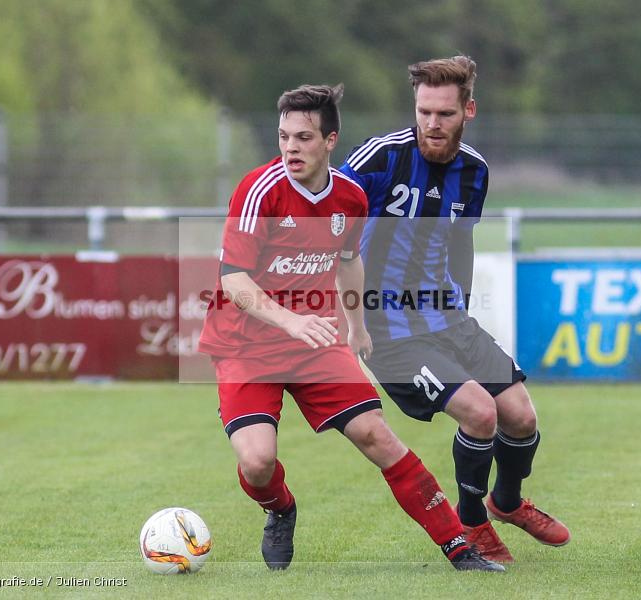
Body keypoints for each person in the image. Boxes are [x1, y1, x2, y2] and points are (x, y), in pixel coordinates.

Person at [198, 83, 502, 572]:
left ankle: (458, 547)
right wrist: (291, 320)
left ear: (330, 140)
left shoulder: (351, 195)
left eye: (303, 138)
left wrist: (357, 327)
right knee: (257, 462)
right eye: (283, 137)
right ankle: (280, 508)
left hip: (315, 342)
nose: (290, 149)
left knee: (376, 436)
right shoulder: (259, 190)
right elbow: (233, 279)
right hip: (246, 345)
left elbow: (348, 262)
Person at [339, 57, 570, 563]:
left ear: (469, 110)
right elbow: (327, 214)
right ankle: (472, 522)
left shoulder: (475, 172)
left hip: (447, 318)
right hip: (386, 328)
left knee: (520, 416)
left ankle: (506, 503)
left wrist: (460, 305)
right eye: (423, 111)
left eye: (444, 113)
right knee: (480, 412)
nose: (432, 123)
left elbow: (461, 242)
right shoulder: (380, 158)